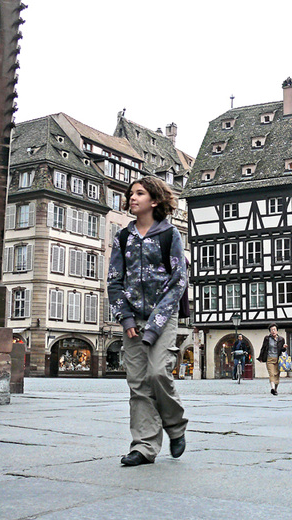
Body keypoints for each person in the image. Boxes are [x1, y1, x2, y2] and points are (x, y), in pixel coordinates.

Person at [108, 176, 189, 467]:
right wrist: (125, 316)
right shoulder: (122, 237)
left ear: (154, 201)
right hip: (132, 318)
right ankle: (144, 446)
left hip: (163, 317)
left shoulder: (170, 235)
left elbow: (178, 281)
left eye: (139, 193)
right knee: (138, 383)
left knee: (157, 374)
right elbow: (114, 281)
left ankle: (175, 425)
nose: (132, 197)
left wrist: (155, 325)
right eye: (131, 193)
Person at [257, 323, 287, 395]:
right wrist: (260, 357)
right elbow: (263, 348)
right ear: (270, 331)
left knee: (277, 374)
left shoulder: (281, 339)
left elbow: (282, 350)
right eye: (271, 330)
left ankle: (275, 389)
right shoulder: (267, 338)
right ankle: (272, 388)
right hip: (269, 359)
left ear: (277, 331)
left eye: (274, 329)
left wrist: (284, 348)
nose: (273, 331)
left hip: (278, 359)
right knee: (272, 374)